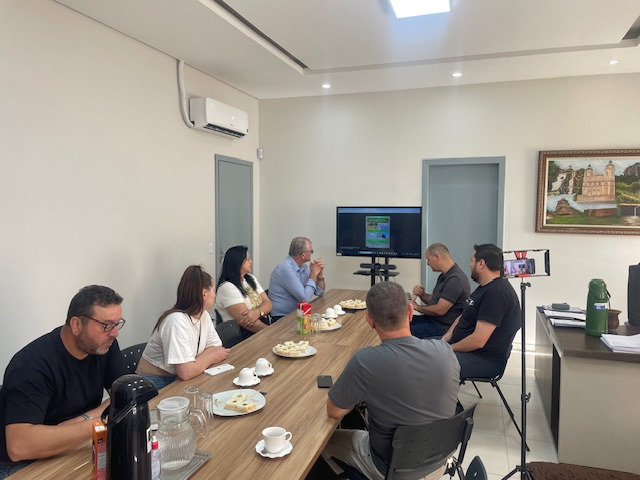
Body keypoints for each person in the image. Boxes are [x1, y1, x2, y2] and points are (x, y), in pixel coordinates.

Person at [322, 282, 460, 480]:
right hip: (438, 462)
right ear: (410, 312)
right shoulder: (446, 352)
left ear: (370, 321)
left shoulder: (365, 361)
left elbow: (334, 411)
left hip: (390, 468)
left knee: (323, 443)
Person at [0, 285, 128, 478]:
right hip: (23, 465)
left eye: (117, 324)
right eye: (106, 325)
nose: (114, 333)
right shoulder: (31, 366)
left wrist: (82, 420)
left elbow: (125, 396)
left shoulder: (104, 346)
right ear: (76, 325)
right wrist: (97, 423)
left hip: (75, 445)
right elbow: (19, 446)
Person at [137, 265, 229, 389]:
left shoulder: (204, 315)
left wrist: (194, 364)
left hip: (179, 378)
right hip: (154, 384)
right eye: (213, 291)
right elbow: (186, 372)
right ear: (204, 294)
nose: (215, 295)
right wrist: (211, 357)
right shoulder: (176, 322)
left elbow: (216, 346)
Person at [442, 244, 521, 379]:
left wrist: (448, 349)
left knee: (429, 363)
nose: (470, 265)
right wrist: (444, 340)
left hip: (483, 360)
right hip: (464, 349)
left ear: (481, 264)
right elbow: (463, 316)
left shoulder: (496, 293)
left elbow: (478, 340)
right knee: (421, 352)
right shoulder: (486, 287)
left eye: (472, 261)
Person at [410, 243, 470, 339]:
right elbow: (434, 301)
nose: (428, 263)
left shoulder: (455, 279)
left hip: (442, 327)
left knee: (403, 332)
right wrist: (422, 294)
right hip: (432, 321)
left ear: (437, 257)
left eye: (428, 259)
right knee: (401, 323)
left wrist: (416, 307)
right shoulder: (444, 276)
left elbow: (440, 310)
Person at [215, 245, 273, 340]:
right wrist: (271, 332)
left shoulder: (250, 278)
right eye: (247, 259)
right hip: (243, 336)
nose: (251, 262)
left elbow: (268, 303)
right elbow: (246, 322)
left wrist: (257, 312)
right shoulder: (227, 287)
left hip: (260, 329)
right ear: (237, 263)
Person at [268, 237, 325, 319]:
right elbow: (304, 299)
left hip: (298, 313)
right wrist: (313, 275)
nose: (312, 253)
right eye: (311, 251)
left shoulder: (303, 266)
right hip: (283, 317)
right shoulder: (286, 269)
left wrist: (319, 274)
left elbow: (320, 292)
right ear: (303, 255)